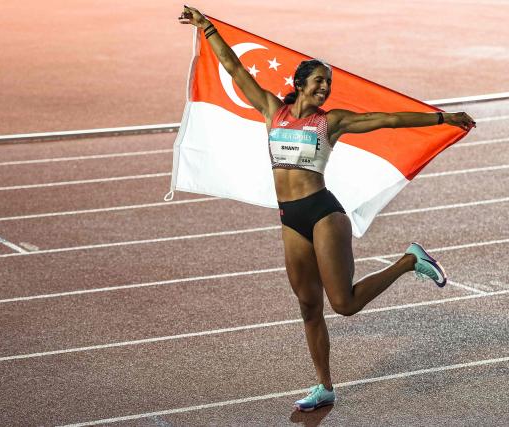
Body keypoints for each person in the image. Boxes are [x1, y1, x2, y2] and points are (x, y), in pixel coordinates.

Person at [179, 6, 476, 412]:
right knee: (308, 306)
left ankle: (409, 260)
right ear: (300, 84)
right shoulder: (272, 110)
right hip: (289, 218)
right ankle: (324, 385)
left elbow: (385, 120)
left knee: (344, 304)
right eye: (319, 82)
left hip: (322, 212)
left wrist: (440, 117)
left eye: (328, 84)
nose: (325, 88)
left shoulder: (330, 121)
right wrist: (207, 27)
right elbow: (235, 69)